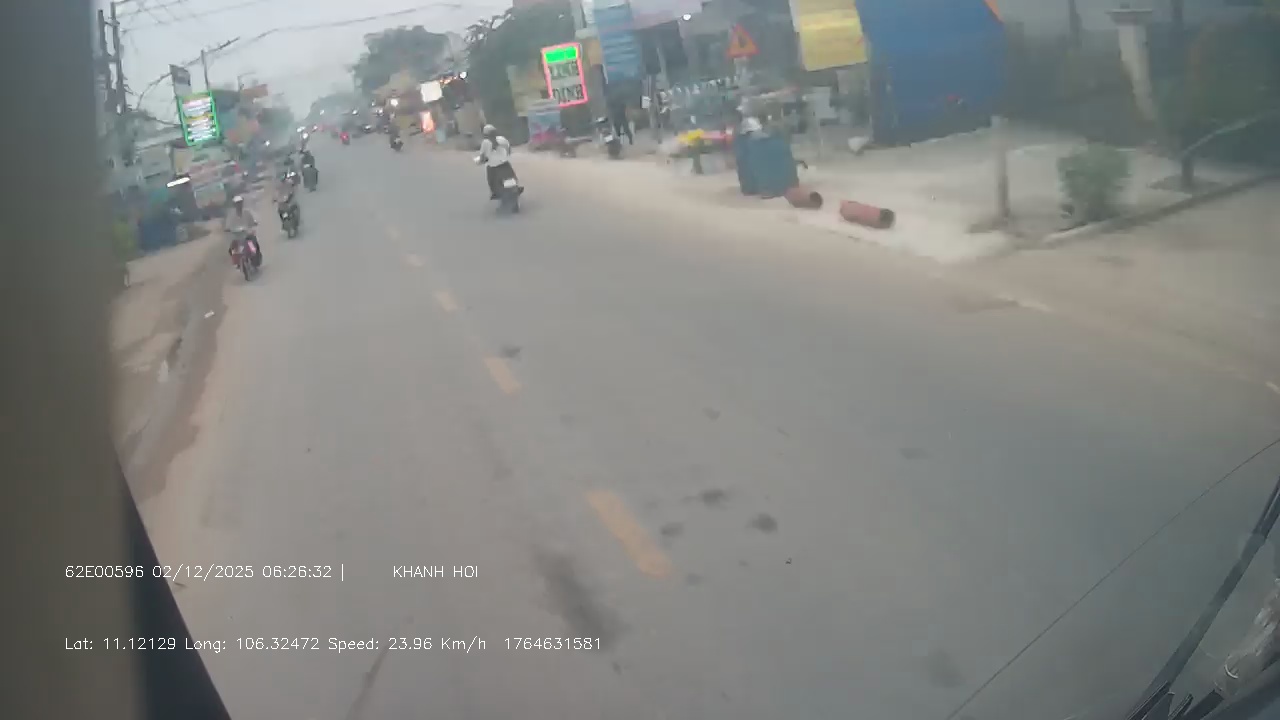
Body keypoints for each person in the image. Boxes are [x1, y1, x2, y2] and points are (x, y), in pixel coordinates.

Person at [478, 124, 518, 199]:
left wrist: (481, 161)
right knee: (512, 176)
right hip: (505, 164)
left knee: (491, 181)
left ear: (485, 135)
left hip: (493, 168)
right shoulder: (502, 139)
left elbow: (482, 157)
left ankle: (495, 193)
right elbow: (509, 150)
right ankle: (516, 187)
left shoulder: (485, 143)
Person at [222, 195, 261, 265]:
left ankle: (256, 259)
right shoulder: (231, 215)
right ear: (234, 205)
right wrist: (227, 229)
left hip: (247, 236)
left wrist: (254, 223)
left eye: (240, 203)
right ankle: (236, 262)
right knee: (231, 249)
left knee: (254, 245)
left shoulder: (246, 212)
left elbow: (252, 221)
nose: (239, 205)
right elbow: (228, 225)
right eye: (237, 203)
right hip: (236, 237)